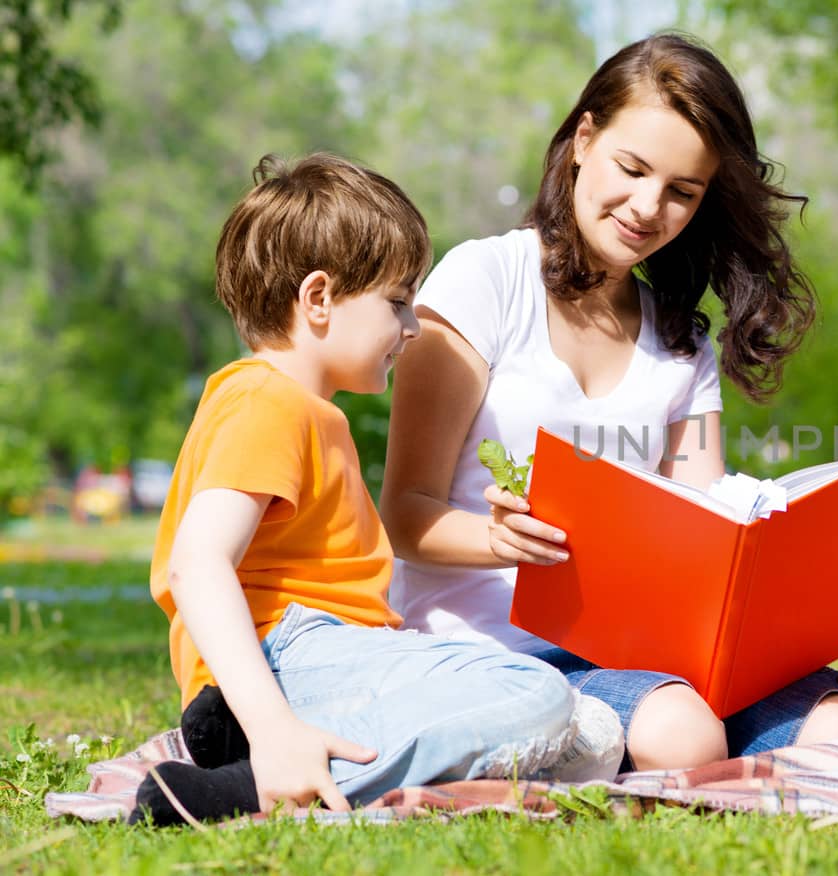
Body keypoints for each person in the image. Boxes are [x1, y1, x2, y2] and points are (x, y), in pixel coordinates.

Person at [381, 33, 838, 772]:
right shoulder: (484, 280)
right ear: (583, 140)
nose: (647, 207)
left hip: (644, 652)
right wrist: (500, 542)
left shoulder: (680, 343)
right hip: (491, 645)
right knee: (684, 735)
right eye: (631, 169)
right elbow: (405, 514)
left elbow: (715, 527)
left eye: (682, 192)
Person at [132, 153, 618, 826]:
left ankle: (313, 774)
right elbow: (197, 563)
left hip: (327, 663)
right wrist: (271, 727)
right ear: (319, 297)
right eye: (397, 303)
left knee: (593, 735)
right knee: (537, 696)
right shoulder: (266, 401)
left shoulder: (303, 410)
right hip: (286, 665)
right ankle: (259, 784)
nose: (412, 329)